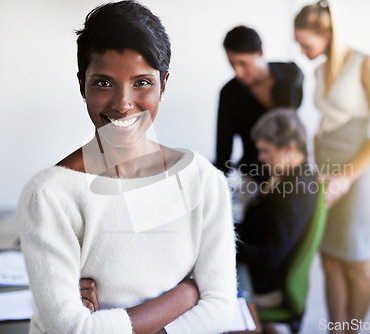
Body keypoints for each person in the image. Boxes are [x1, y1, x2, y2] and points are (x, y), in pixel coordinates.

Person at [17, 2, 237, 333]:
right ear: (82, 85)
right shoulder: (50, 194)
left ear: (164, 84)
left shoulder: (203, 180)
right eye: (104, 83)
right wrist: (187, 292)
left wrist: (111, 322)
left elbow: (221, 307)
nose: (122, 103)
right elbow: (73, 330)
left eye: (142, 82)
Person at [294, 1, 370, 333]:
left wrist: (346, 177)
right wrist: (317, 158)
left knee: (356, 263)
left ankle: (351, 330)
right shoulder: (318, 70)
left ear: (327, 34)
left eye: (305, 43)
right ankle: (335, 329)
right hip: (328, 174)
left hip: (361, 176)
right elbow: (327, 120)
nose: (301, 50)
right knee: (329, 259)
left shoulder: (367, 65)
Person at [236, 108, 317, 308]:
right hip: (255, 270)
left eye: (266, 151)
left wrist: (225, 244)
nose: (261, 158)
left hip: (265, 286)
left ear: (290, 148)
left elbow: (270, 257)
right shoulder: (284, 175)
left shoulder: (298, 191)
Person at [215, 25, 304, 183]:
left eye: (243, 63)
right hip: (254, 176)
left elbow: (295, 128)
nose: (238, 72)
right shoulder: (229, 93)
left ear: (260, 53)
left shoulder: (290, 75)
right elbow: (223, 149)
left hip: (292, 172)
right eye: (232, 64)